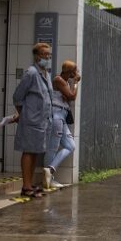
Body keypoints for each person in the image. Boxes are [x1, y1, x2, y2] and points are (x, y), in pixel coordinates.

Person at [13, 43, 54, 198]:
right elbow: (17, 96)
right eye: (44, 54)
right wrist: (23, 114)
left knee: (35, 151)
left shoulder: (46, 73)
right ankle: (26, 186)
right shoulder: (31, 73)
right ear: (37, 56)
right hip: (31, 120)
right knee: (28, 151)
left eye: (49, 54)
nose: (47, 57)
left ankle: (29, 184)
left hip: (42, 121)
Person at [42, 60, 80, 189]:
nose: (76, 73)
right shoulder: (58, 80)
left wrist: (70, 88)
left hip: (62, 115)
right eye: (74, 71)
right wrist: (75, 83)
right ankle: (48, 179)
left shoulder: (64, 82)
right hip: (56, 115)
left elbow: (68, 97)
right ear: (70, 72)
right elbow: (72, 96)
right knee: (53, 147)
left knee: (70, 145)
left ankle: (50, 170)